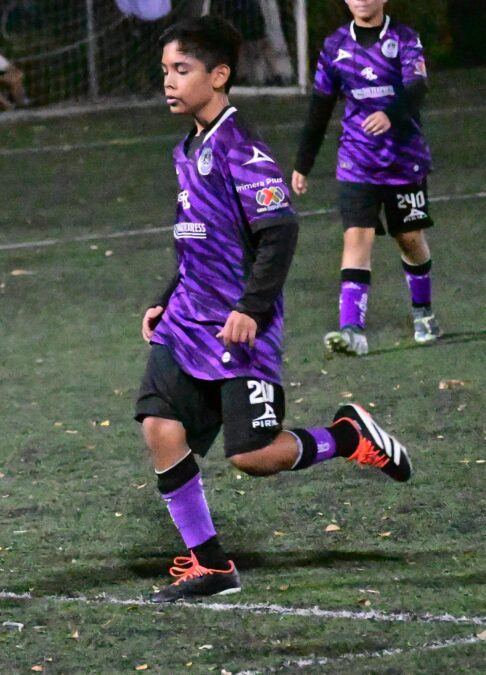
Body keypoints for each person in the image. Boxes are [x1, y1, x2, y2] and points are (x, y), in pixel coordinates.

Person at [136, 16, 412, 603]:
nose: (169, 82)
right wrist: (164, 300)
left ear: (219, 75)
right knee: (160, 426)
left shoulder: (242, 148)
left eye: (181, 70)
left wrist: (252, 309)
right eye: (165, 71)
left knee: (253, 457)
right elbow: (195, 237)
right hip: (187, 323)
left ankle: (344, 435)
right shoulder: (186, 147)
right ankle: (212, 565)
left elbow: (279, 232)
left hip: (240, 331)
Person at [292, 0, 439, 355]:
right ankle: (352, 330)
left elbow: (417, 88)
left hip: (404, 162)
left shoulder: (404, 39)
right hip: (356, 163)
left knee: (410, 239)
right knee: (357, 238)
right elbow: (320, 107)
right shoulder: (334, 46)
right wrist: (303, 163)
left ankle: (423, 312)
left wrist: (390, 114)